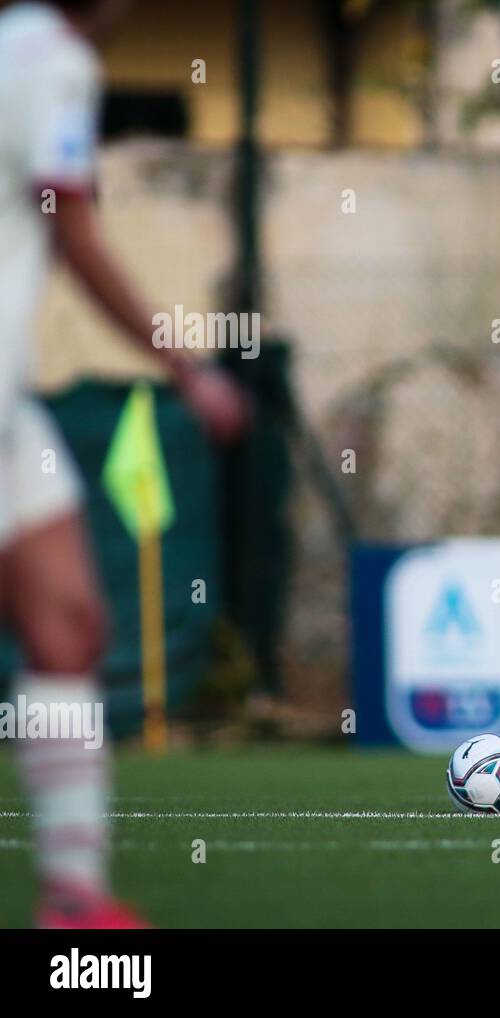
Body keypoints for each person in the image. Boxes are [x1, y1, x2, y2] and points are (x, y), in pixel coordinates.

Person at [0, 0, 248, 928]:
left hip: (12, 407)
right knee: (65, 626)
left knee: (69, 626)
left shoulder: (18, 50)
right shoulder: (53, 60)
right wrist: (187, 372)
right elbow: (74, 235)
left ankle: (71, 900)